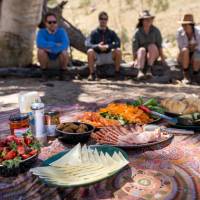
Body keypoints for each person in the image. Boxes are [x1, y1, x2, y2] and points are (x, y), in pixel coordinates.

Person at [85, 11, 122, 81]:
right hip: (98, 57)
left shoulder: (111, 33)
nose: (103, 21)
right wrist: (97, 46)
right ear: (99, 20)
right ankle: (92, 74)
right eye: (101, 19)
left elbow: (118, 42)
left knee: (118, 51)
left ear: (107, 20)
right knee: (90, 51)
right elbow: (87, 44)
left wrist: (108, 46)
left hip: (109, 56)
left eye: (105, 19)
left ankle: (117, 72)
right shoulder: (94, 33)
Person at [36, 12, 70, 81]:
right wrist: (54, 44)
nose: (52, 24)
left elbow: (65, 44)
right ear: (45, 23)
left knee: (64, 52)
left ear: (57, 23)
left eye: (54, 22)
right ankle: (44, 74)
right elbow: (39, 44)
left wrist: (52, 50)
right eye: (50, 22)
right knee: (40, 51)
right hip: (47, 60)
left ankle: (63, 74)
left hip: (59, 60)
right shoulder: (41, 32)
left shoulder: (62, 31)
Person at [132, 10, 165, 79]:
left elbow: (159, 46)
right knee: (141, 49)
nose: (148, 21)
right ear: (142, 21)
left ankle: (149, 70)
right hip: (141, 56)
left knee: (152, 46)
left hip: (153, 54)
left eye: (150, 19)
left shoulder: (156, 31)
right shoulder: (137, 32)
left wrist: (162, 58)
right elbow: (135, 48)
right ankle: (140, 72)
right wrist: (135, 59)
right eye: (146, 19)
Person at [177, 14, 200, 84]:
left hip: (195, 53)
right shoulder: (179, 32)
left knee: (197, 54)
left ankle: (195, 75)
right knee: (185, 50)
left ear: (191, 25)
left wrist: (194, 47)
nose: (184, 26)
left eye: (186, 25)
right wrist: (191, 47)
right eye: (183, 25)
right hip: (183, 54)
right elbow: (181, 47)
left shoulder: (198, 32)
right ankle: (185, 75)